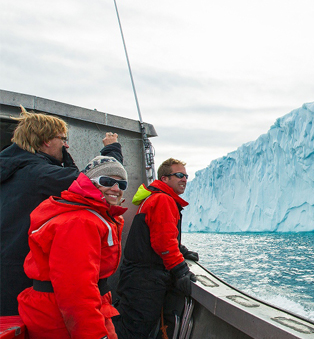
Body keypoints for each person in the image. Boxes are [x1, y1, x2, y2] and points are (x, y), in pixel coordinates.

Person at [0, 106, 123, 316]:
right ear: (47, 141)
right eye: (62, 138)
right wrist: (112, 151)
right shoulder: (41, 174)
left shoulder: (11, 168)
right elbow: (96, 186)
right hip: (22, 278)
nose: (65, 144)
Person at [17, 156, 128, 339]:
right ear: (90, 182)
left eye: (122, 184)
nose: (116, 188)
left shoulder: (88, 215)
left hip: (74, 310)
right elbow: (76, 290)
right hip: (61, 318)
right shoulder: (80, 221)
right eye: (107, 181)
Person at [113, 158, 198, 339]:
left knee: (130, 326)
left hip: (138, 278)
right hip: (145, 280)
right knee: (134, 331)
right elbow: (163, 242)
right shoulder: (163, 200)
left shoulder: (154, 198)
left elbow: (158, 233)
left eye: (186, 176)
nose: (184, 179)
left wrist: (180, 249)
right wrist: (181, 270)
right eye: (179, 175)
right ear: (165, 178)